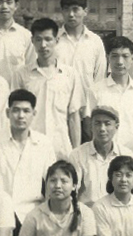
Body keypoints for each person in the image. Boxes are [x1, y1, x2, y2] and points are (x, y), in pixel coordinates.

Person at [0, 89, 56, 225]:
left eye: (26, 111)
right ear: (7, 113)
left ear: (34, 114)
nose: (21, 116)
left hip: (33, 215)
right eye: (16, 110)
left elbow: (51, 182)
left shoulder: (44, 143)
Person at [17, 18, 84, 159]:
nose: (43, 45)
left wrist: (76, 152)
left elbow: (73, 116)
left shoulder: (70, 74)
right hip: (30, 148)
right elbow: (16, 114)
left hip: (60, 148)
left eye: (48, 39)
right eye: (38, 39)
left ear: (57, 40)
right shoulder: (22, 74)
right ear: (32, 41)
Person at [88, 35, 133, 149]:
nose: (120, 62)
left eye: (125, 56)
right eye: (115, 56)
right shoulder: (95, 90)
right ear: (108, 58)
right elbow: (90, 128)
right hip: (105, 153)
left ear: (132, 59)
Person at [68, 105, 133, 205]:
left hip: (118, 210)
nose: (102, 129)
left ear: (116, 126)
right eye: (97, 123)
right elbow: (71, 192)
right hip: (88, 212)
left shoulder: (126, 154)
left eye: (107, 124)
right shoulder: (77, 155)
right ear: (91, 126)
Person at [56, 0, 107, 123]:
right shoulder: (54, 41)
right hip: (58, 111)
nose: (71, 14)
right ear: (62, 11)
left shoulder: (95, 42)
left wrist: (94, 110)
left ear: (85, 11)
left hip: (87, 113)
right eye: (66, 9)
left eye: (75, 9)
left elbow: (99, 79)